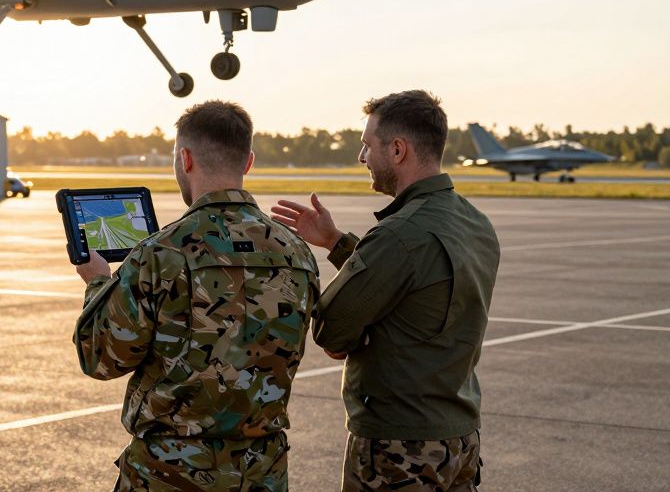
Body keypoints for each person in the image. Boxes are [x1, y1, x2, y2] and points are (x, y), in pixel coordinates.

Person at [74, 100, 320, 491]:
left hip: (171, 474)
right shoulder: (296, 251)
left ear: (185, 159)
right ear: (249, 161)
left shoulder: (162, 252)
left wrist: (98, 282)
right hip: (262, 472)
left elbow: (102, 358)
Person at [271, 90, 500, 492]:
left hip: (400, 448)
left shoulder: (399, 233)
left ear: (397, 150)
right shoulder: (474, 222)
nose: (362, 158)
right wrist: (337, 243)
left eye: (367, 146)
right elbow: (413, 284)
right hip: (459, 439)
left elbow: (331, 330)